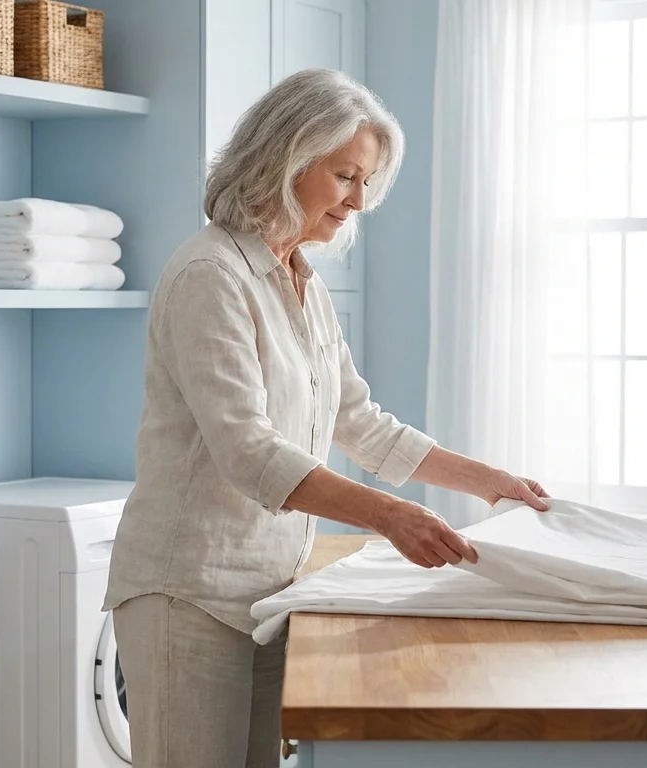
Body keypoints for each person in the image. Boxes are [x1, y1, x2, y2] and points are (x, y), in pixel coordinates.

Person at [101, 67, 550, 768]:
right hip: (186, 593)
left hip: (268, 591)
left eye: (366, 181)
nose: (360, 201)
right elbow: (248, 450)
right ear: (287, 159)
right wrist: (391, 516)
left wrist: (488, 481)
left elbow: (358, 419)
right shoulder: (209, 278)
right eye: (347, 176)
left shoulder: (301, 283)